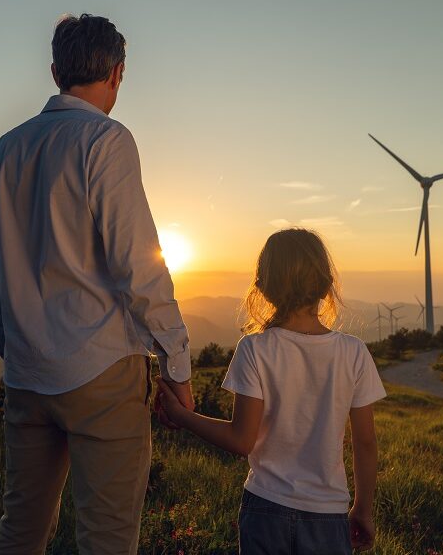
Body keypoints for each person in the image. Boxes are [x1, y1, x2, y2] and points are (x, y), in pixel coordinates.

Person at [0, 13, 194, 555]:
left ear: (55, 71)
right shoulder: (107, 141)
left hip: (27, 376)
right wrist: (177, 363)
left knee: (20, 530)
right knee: (107, 538)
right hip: (101, 372)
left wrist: (15, 347)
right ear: (117, 74)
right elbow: (140, 268)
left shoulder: (5, 149)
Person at [157, 228, 386, 554]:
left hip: (266, 508)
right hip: (328, 515)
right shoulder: (354, 352)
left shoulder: (254, 349)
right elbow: (365, 442)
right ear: (325, 284)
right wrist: (363, 508)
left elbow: (241, 440)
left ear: (263, 286)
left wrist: (183, 416)